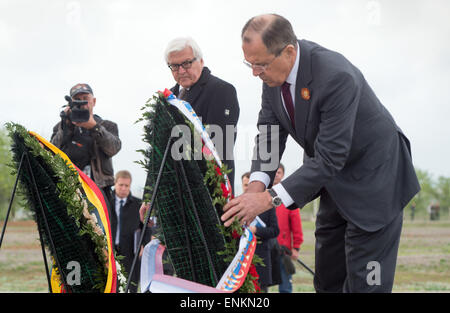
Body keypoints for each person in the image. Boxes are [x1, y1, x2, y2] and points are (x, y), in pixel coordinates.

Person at [222, 14, 420, 293]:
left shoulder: (336, 76)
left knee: (367, 285)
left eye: (260, 64)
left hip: (375, 184)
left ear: (288, 52)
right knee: (327, 279)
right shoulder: (271, 79)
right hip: (333, 186)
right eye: (249, 64)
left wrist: (268, 198)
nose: (255, 72)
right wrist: (255, 189)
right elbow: (269, 135)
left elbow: (331, 156)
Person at [165, 37, 240, 191]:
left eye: (186, 63)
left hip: (208, 189)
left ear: (201, 61)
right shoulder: (168, 98)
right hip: (173, 192)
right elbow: (158, 150)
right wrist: (149, 194)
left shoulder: (221, 91)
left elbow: (219, 147)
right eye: (174, 66)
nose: (181, 70)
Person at [51, 83, 121, 206]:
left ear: (93, 101)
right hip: (69, 190)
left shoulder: (108, 126)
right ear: (70, 103)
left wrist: (95, 127)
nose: (81, 103)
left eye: (85, 99)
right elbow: (51, 153)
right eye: (77, 100)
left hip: (98, 191)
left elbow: (113, 149)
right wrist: (66, 126)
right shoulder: (62, 126)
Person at [110, 170, 145, 293]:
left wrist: (143, 245)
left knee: (130, 284)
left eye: (127, 186)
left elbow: (146, 227)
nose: (124, 188)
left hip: (130, 250)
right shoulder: (106, 201)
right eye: (121, 185)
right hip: (109, 249)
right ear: (115, 183)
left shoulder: (137, 204)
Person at [273, 163, 303, 293]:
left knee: (285, 287)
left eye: (278, 172)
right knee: (261, 286)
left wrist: (296, 248)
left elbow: (296, 225)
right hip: (266, 249)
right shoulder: (262, 196)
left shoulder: (288, 198)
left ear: (283, 175)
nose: (275, 175)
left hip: (283, 250)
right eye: (274, 172)